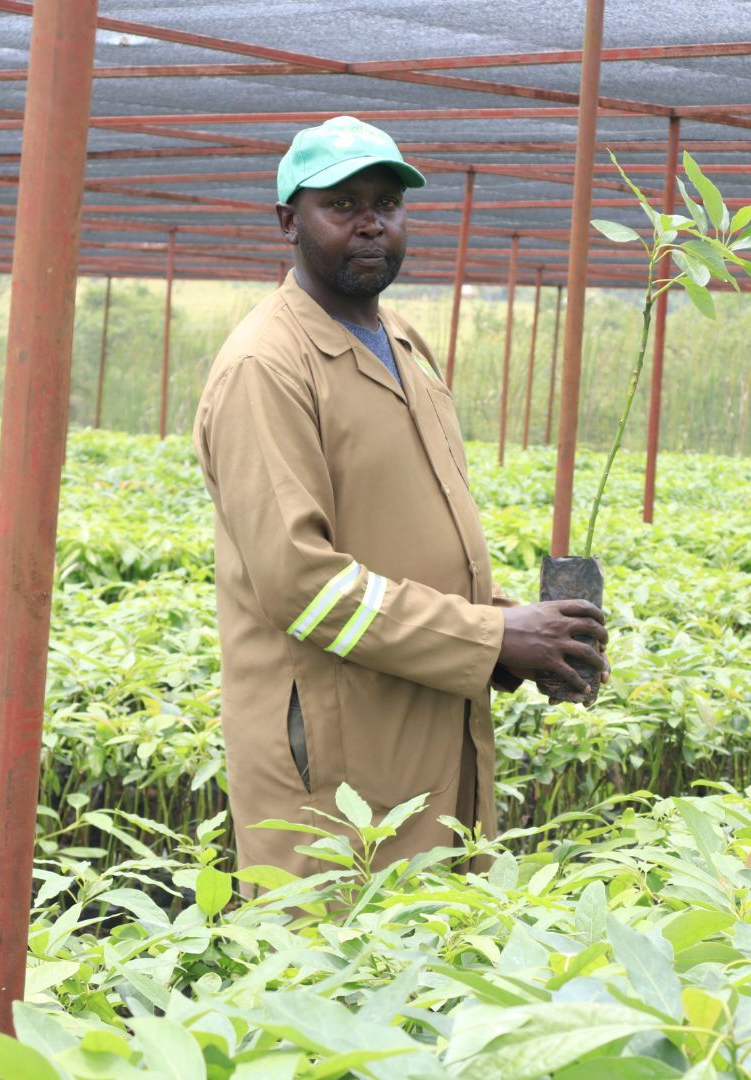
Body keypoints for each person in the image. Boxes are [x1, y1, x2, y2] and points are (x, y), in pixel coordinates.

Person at [193, 115, 606, 878]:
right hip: (333, 741)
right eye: (340, 205)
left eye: (386, 204)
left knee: (437, 930)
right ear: (287, 221)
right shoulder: (266, 367)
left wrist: (521, 630)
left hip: (427, 713)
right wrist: (491, 638)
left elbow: (401, 533)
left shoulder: (403, 341)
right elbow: (301, 585)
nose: (370, 224)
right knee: (339, 936)